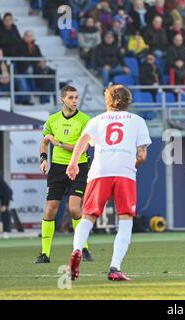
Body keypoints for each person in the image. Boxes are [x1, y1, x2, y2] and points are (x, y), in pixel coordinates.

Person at [67, 84, 151, 281]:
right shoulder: (138, 121)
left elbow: (82, 142)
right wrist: (134, 166)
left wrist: (73, 164)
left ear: (108, 100)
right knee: (125, 219)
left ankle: (77, 250)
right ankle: (115, 267)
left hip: (99, 171)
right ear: (128, 100)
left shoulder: (97, 120)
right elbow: (142, 154)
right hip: (125, 173)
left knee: (88, 216)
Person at [35, 85, 93, 263]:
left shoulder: (85, 120)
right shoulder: (52, 120)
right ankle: (45, 254)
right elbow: (45, 142)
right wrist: (43, 159)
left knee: (74, 208)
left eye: (76, 97)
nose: (74, 101)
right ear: (62, 99)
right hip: (58, 169)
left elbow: (82, 149)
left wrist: (58, 143)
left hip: (78, 166)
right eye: (71, 98)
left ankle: (83, 248)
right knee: (50, 209)